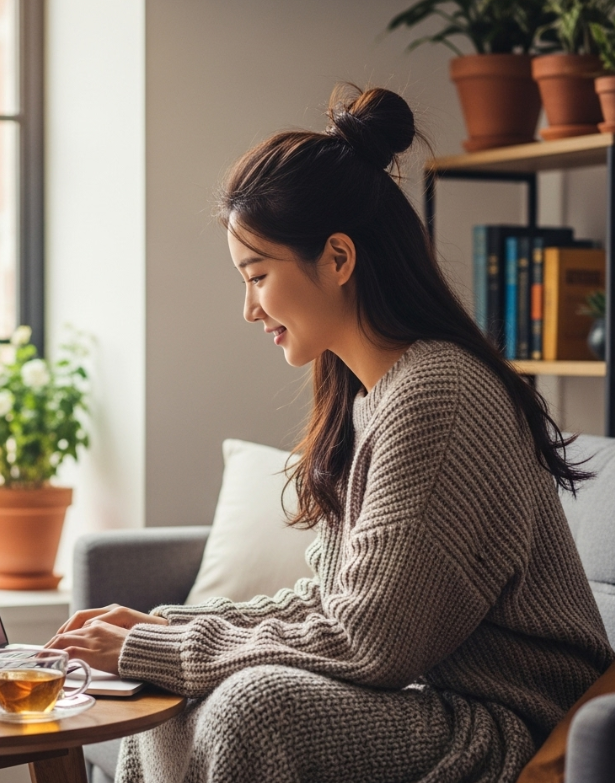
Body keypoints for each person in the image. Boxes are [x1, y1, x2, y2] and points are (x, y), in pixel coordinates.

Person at [45, 86, 615, 783]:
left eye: (257, 275)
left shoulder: (438, 394)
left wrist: (163, 647)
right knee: (173, 702)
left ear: (338, 259)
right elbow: (328, 598)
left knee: (250, 709)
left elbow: (369, 641)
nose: (248, 308)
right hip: (430, 699)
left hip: (514, 726)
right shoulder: (376, 396)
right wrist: (167, 629)